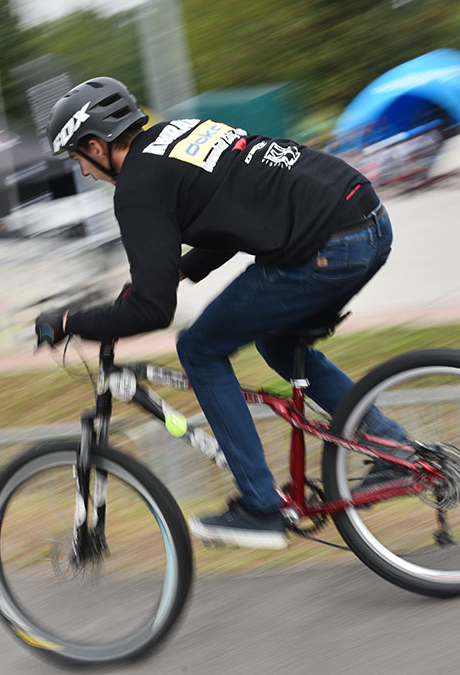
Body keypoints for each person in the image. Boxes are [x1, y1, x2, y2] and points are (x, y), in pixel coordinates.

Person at [35, 76, 402, 550]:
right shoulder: (179, 135)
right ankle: (391, 446)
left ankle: (259, 506)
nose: (84, 172)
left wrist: (69, 323)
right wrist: (179, 271)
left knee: (199, 347)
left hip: (328, 244)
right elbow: (228, 213)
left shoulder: (137, 188)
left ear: (95, 145)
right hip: (366, 219)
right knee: (275, 340)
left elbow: (151, 309)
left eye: (78, 160)